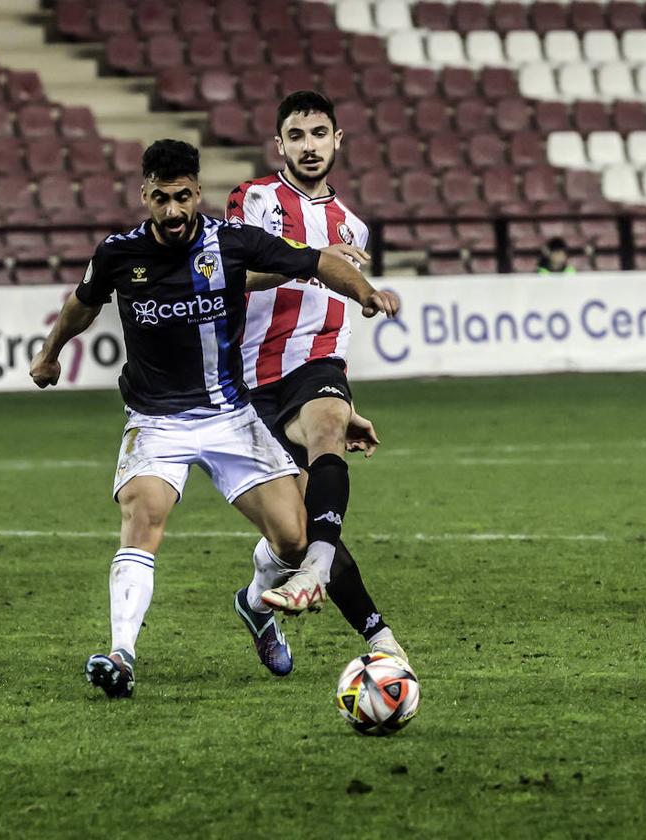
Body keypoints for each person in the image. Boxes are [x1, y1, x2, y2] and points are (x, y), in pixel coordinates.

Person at [29, 139, 398, 699]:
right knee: (143, 517)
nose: (173, 211)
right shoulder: (119, 253)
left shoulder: (230, 243)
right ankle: (121, 654)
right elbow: (85, 300)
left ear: (198, 192)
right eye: (161, 198)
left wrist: (365, 292)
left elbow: (317, 260)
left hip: (231, 416)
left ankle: (254, 604)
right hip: (155, 421)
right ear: (144, 195)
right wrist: (50, 351)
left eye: (182, 197)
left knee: (295, 537)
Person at [226, 91, 409, 676]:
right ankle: (258, 601)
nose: (309, 146)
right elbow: (230, 274)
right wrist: (309, 256)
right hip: (249, 380)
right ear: (280, 145)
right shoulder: (254, 199)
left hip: (317, 366)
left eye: (319, 134)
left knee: (328, 427)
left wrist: (342, 396)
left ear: (337, 141)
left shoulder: (354, 224)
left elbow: (334, 318)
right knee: (293, 531)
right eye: (297, 136)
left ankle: (379, 639)